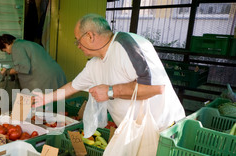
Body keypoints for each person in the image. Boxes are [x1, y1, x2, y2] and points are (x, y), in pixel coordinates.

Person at [33, 13, 185, 131]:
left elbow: (155, 88)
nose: (78, 46)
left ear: (90, 36)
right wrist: (46, 98)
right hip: (133, 131)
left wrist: (111, 91)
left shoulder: (126, 45)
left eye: (78, 40)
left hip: (163, 128)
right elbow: (73, 86)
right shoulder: (94, 64)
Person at [0, 33, 67, 93]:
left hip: (45, 80)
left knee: (45, 107)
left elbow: (23, 68)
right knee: (57, 106)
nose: (8, 53)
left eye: (5, 50)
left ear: (5, 43)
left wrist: (7, 71)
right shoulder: (28, 44)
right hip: (57, 75)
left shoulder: (16, 47)